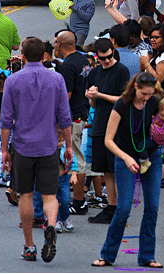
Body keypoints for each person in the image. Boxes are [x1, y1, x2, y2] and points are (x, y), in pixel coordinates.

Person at [0, 37, 73, 263]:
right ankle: (51, 225)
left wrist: (4, 151)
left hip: (22, 146)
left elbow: (6, 121)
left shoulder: (13, 81)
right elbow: (65, 116)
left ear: (22, 56)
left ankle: (29, 245)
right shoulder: (56, 79)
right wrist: (69, 145)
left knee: (26, 195)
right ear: (44, 56)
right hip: (49, 146)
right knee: (50, 195)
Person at [92, 73, 163, 269]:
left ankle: (147, 256)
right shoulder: (122, 105)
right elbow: (108, 140)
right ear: (135, 87)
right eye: (144, 93)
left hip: (151, 157)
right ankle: (107, 254)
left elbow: (162, 127)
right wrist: (126, 157)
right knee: (123, 208)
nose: (147, 98)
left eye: (150, 94)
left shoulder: (154, 102)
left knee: (153, 208)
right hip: (125, 157)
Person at [85, 38, 131, 225]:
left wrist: (100, 95)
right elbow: (93, 104)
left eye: (109, 57)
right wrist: (91, 97)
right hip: (99, 123)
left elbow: (124, 99)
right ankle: (111, 206)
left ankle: (119, 208)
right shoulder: (94, 73)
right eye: (102, 58)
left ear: (113, 51)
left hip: (117, 126)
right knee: (105, 171)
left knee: (116, 169)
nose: (106, 61)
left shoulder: (121, 70)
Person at [53, 30, 92, 216]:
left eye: (55, 43)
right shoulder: (82, 60)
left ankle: (78, 202)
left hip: (72, 116)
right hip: (81, 111)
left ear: (60, 45)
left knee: (75, 158)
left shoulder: (67, 66)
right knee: (75, 156)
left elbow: (65, 96)